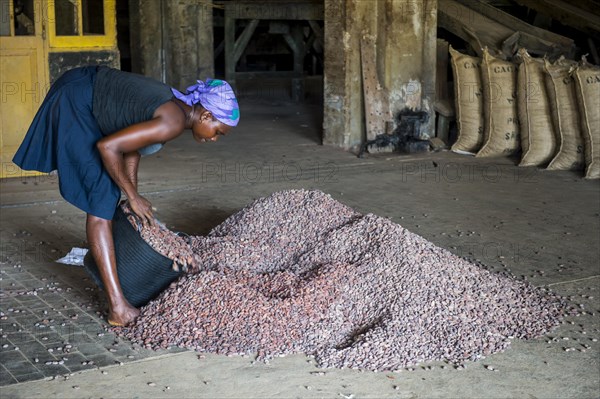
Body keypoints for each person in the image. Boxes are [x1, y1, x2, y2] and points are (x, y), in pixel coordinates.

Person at [12, 66, 240, 326]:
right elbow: (108, 146)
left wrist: (134, 196)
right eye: (218, 132)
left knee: (111, 195)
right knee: (101, 200)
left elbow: (132, 149)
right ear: (206, 115)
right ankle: (118, 308)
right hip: (77, 99)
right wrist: (130, 195)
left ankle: (112, 274)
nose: (215, 139)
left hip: (85, 86)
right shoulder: (172, 122)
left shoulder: (178, 107)